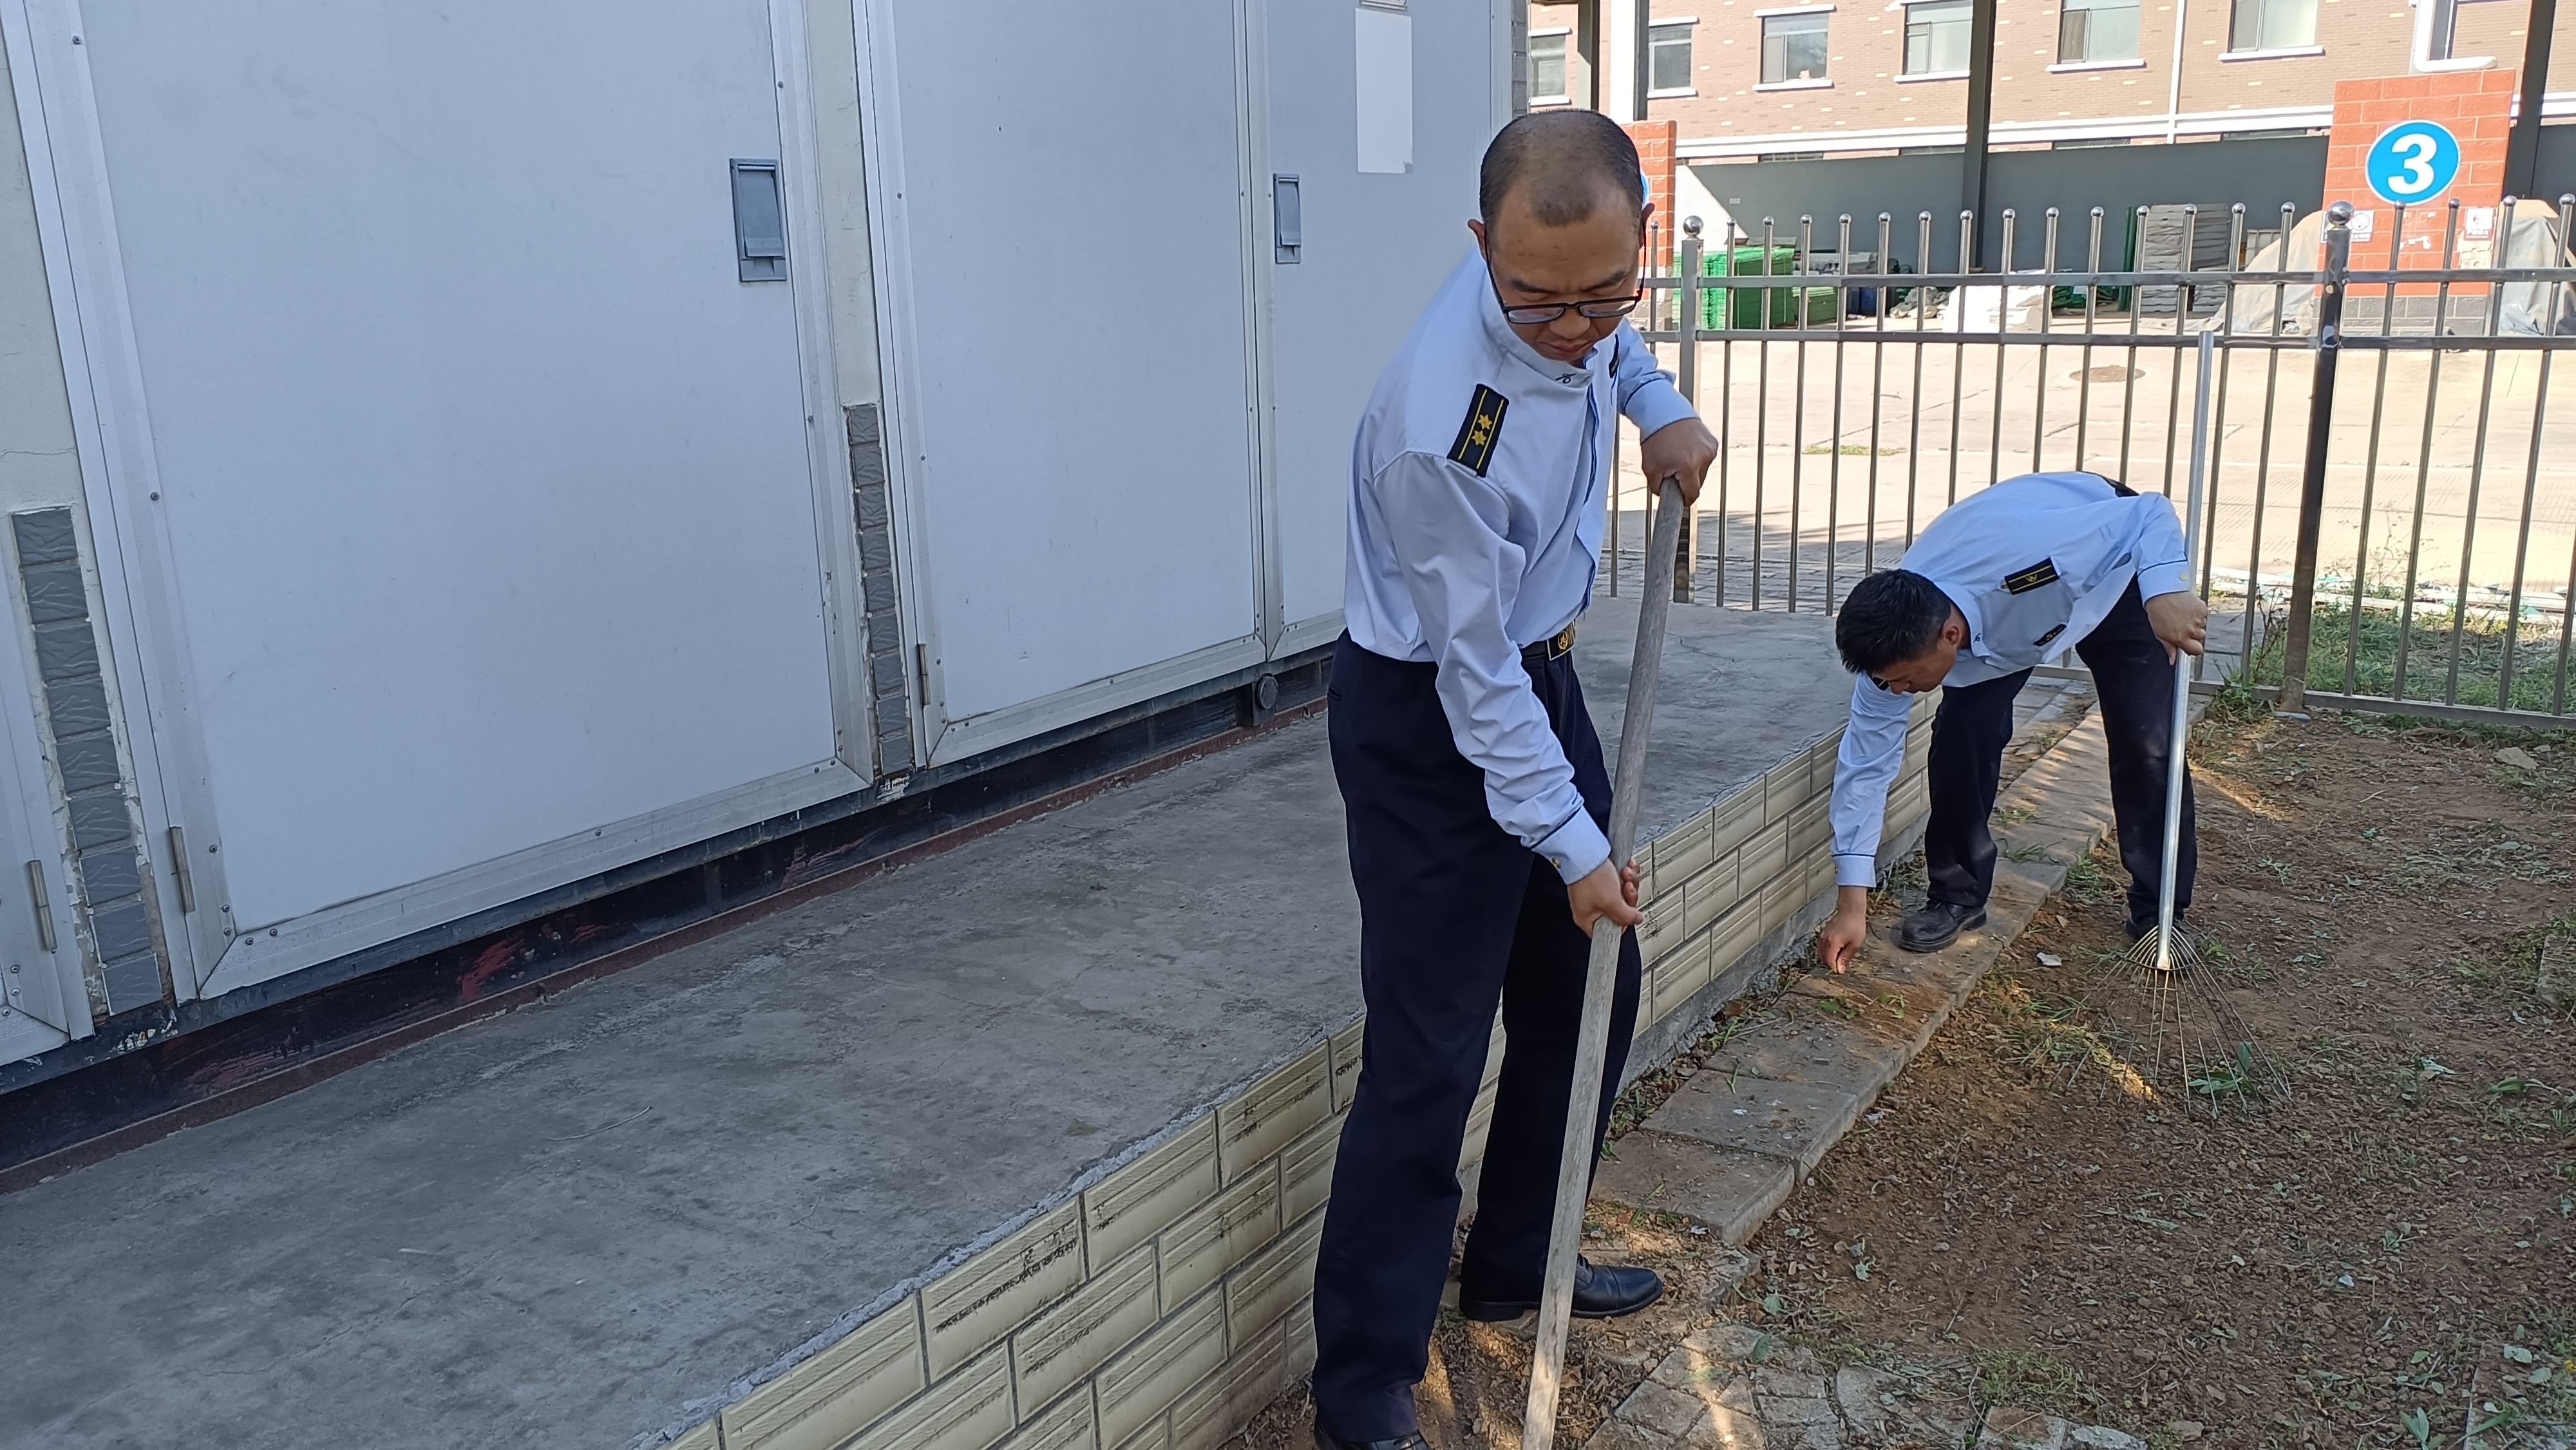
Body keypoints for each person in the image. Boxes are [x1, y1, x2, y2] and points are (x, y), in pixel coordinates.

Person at [1308, 111, 1719, 1450]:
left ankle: (1516, 1264)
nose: (1574, 328)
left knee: (1589, 985)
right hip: (1433, 721)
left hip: (1538, 681)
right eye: (1538, 302)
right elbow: (1471, 675)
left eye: (1608, 292)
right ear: (1482, 247)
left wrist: (1656, 403)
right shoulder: (1441, 423)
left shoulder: (1585, 304)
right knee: (1427, 1054)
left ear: (1638, 240)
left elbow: (1610, 345)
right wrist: (1571, 843)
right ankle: (1362, 1385)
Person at [1816, 470, 2211, 972]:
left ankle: (2160, 913)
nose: (1897, 691)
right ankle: (1957, 896)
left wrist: (2164, 592)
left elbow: (2149, 513)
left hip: (2113, 580)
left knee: (2147, 742)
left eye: (1905, 679)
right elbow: (1866, 771)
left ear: (1950, 637)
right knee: (1961, 736)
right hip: (2007, 622)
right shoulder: (1895, 647)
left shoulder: (2043, 548)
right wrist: (1852, 905)